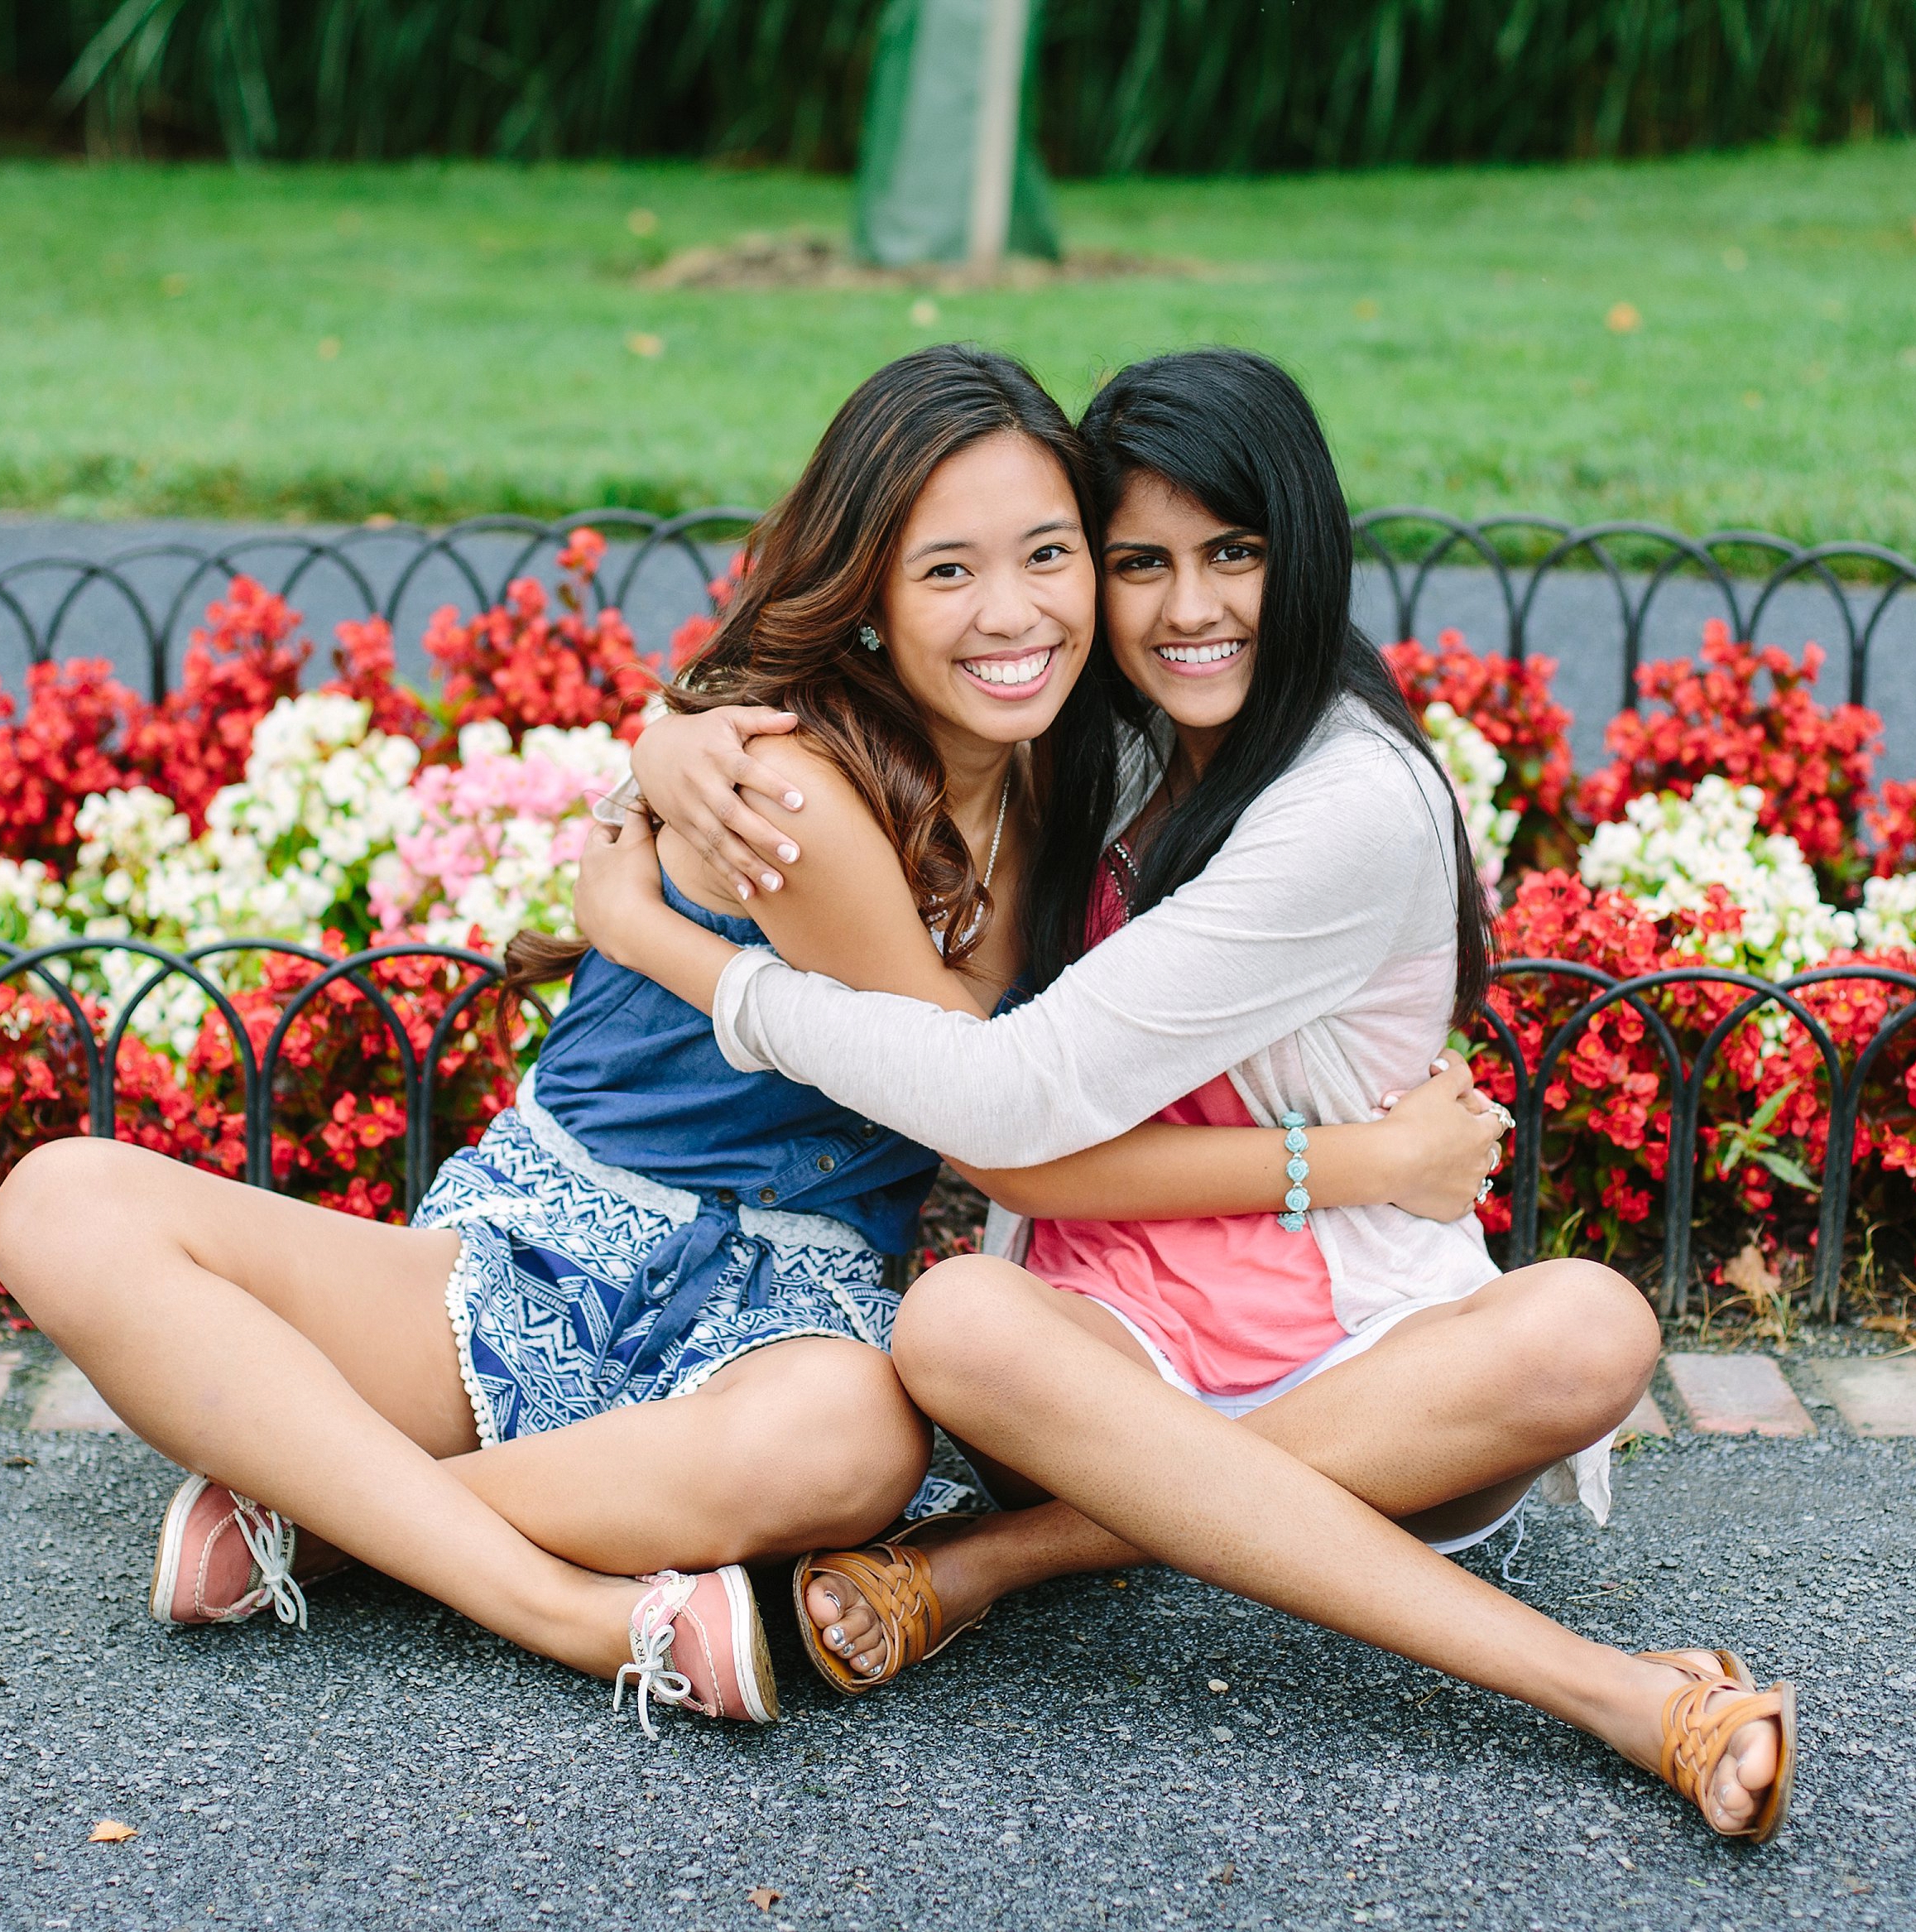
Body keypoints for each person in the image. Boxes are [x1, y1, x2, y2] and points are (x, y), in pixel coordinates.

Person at [0, 344, 1489, 1738]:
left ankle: (329, 1518)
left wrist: (661, 759)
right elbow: (990, 1112)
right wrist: (1363, 1159)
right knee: (62, 1201)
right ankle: (560, 1607)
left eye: (1051, 558)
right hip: (550, 1247)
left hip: (790, 1306)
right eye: (948, 570)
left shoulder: (1076, 766)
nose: (1016, 610)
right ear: (872, 591)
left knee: (857, 1447)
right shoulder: (800, 789)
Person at [579, 348, 1794, 1838]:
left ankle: (1002, 1560)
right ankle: (1612, 1688)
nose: (1190, 607)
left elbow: (1012, 1110)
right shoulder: (1103, 720)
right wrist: (675, 738)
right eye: (1139, 562)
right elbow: (1016, 1136)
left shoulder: (1346, 803)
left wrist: (687, 957)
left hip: (1362, 1351)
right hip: (1110, 1335)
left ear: (1309, 551)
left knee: (1593, 1325)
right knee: (956, 1318)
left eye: (1236, 553)